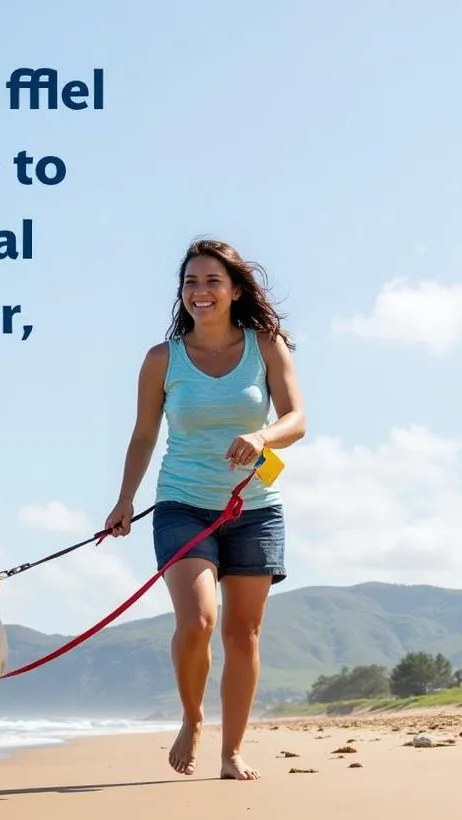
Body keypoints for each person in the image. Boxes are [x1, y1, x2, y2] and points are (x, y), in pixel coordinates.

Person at [104, 238, 306, 780]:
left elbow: (296, 419)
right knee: (197, 621)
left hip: (255, 507)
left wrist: (262, 436)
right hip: (182, 505)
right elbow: (145, 434)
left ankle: (231, 750)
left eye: (212, 281)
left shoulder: (266, 345)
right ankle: (193, 719)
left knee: (243, 634)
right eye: (191, 283)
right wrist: (124, 500)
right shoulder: (161, 359)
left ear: (235, 289)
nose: (200, 292)